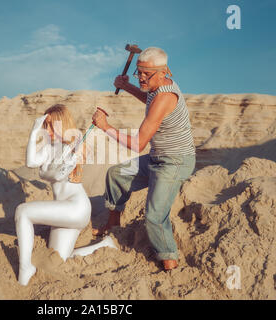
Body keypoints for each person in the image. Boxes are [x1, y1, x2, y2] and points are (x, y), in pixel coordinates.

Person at [91, 47, 196, 271]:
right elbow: (148, 98)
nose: (139, 77)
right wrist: (127, 86)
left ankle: (170, 262)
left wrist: (106, 127)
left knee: (155, 217)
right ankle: (113, 225)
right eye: (138, 72)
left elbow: (138, 144)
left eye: (144, 74)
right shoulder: (157, 89)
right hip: (157, 159)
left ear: (162, 72)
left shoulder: (165, 97)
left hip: (174, 162)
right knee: (117, 174)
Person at [15, 104, 117, 286]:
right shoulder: (49, 148)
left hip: (76, 208)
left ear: (61, 123)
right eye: (45, 126)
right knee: (59, 258)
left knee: (23, 211)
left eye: (51, 125)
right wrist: (33, 132)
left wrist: (72, 159)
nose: (47, 130)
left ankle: (25, 267)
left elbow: (58, 174)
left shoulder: (74, 145)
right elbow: (31, 162)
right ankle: (104, 245)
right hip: (64, 212)